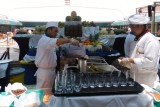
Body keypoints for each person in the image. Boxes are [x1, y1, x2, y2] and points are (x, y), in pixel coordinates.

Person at [35, 22, 79, 102]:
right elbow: (58, 41)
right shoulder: (44, 40)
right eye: (55, 31)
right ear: (49, 29)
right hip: (45, 74)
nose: (56, 33)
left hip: (50, 72)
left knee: (49, 96)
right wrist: (70, 40)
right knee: (43, 97)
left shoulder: (48, 40)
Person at [119, 14, 160, 87]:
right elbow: (134, 57)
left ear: (141, 26)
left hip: (147, 81)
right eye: (130, 27)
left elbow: (151, 62)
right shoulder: (136, 39)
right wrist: (125, 62)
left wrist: (130, 60)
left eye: (133, 27)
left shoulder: (151, 40)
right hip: (135, 79)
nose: (131, 30)